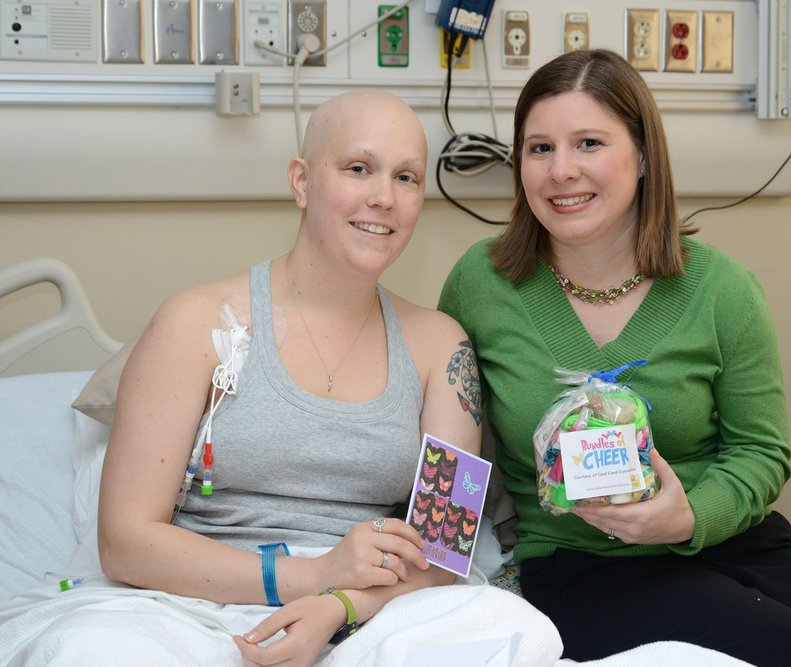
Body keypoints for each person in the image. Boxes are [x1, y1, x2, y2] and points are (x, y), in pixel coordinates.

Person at [438, 49, 791, 666]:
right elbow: (451, 449)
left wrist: (689, 517)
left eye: (589, 143)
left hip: (735, 545)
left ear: (643, 156)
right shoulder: (480, 284)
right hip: (584, 567)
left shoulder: (722, 289)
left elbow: (761, 451)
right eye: (539, 148)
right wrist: (424, 575)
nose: (561, 170)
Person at [44, 89, 480, 666]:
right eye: (358, 168)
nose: (384, 198)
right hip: (189, 603)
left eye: (407, 178)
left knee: (516, 632)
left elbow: (446, 551)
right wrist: (312, 577)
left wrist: (338, 606)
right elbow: (124, 542)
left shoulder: (442, 348)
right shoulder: (195, 323)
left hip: (368, 608)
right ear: (302, 182)